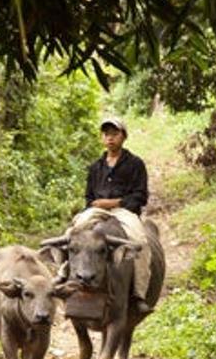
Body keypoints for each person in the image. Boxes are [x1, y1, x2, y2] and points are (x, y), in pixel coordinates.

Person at [64, 116, 153, 312]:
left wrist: (114, 203)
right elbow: (89, 196)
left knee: (140, 242)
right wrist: (96, 206)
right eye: (106, 134)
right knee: (73, 233)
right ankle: (65, 276)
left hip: (124, 211)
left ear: (123, 137)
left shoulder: (135, 164)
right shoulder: (96, 166)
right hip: (96, 210)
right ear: (102, 138)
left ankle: (139, 294)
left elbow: (140, 196)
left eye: (115, 134)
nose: (110, 138)